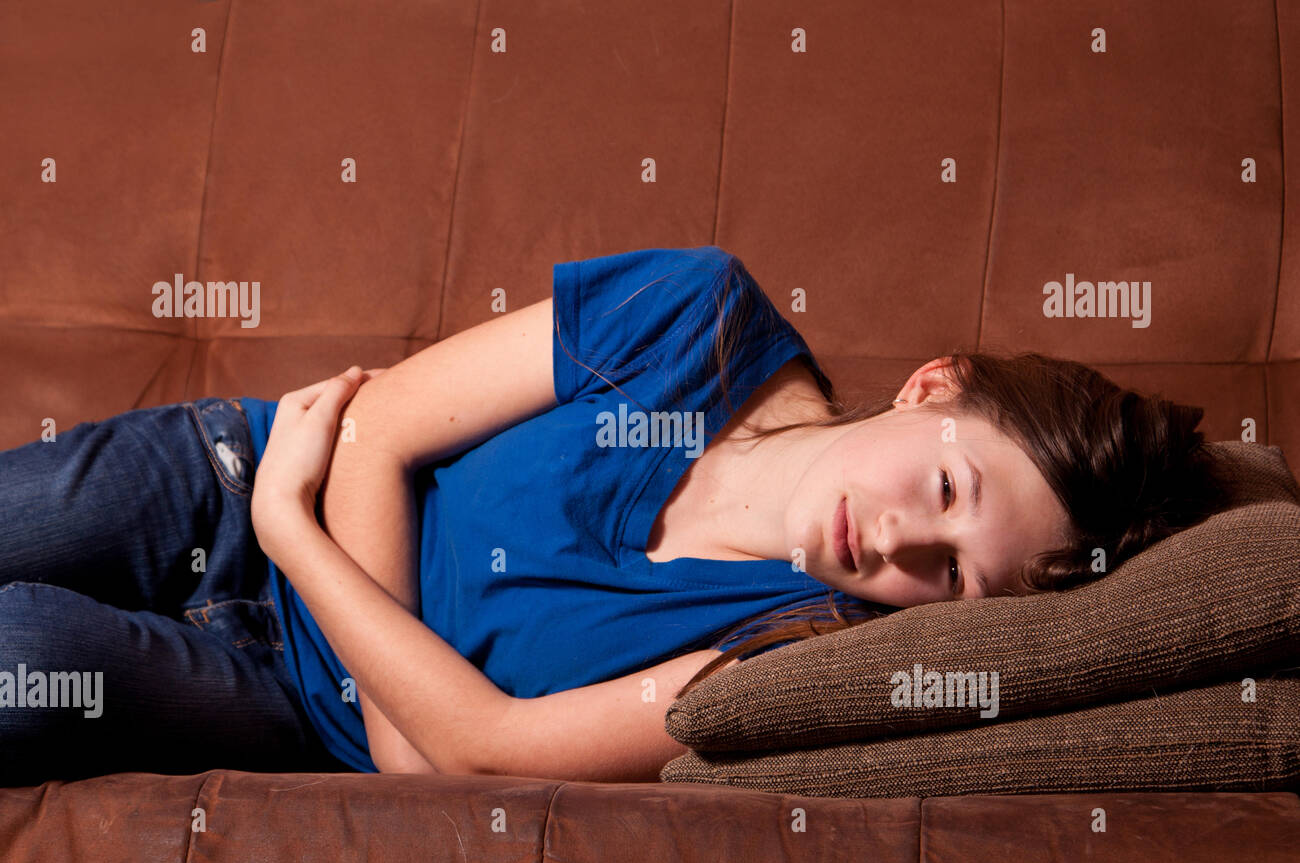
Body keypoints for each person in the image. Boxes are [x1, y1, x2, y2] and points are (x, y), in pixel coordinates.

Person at [0, 246, 1229, 785]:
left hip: (284, 690)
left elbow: (478, 756)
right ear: (934, 385)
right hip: (231, 477)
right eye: (948, 490)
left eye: (956, 580)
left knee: (27, 663)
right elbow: (373, 432)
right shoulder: (693, 312)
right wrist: (281, 518)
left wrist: (303, 545)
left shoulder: (782, 655)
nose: (906, 544)